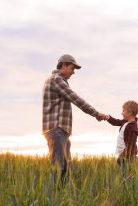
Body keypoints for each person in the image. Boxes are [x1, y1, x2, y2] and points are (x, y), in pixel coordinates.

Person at [42, 54, 106, 184]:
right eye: (72, 68)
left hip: (61, 130)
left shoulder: (57, 80)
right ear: (63, 65)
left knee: (66, 167)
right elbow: (75, 99)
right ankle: (56, 197)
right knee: (59, 168)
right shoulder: (57, 79)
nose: (73, 72)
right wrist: (96, 113)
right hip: (56, 129)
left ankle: (63, 197)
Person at [105, 100, 138, 175]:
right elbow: (116, 122)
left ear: (130, 112)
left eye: (123, 111)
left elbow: (131, 145)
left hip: (128, 158)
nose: (122, 113)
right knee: (123, 176)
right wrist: (108, 117)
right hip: (124, 156)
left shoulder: (132, 127)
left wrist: (122, 156)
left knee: (127, 177)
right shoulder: (126, 122)